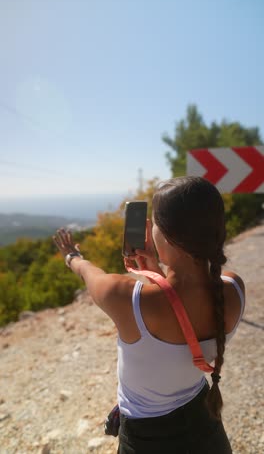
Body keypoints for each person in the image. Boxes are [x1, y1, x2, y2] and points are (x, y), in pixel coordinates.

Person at [53, 176, 245, 454]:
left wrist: (71, 255)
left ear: (164, 234)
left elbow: (90, 273)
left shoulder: (126, 298)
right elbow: (185, 295)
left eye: (154, 222)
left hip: (146, 440)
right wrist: (156, 271)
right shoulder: (234, 288)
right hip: (207, 430)